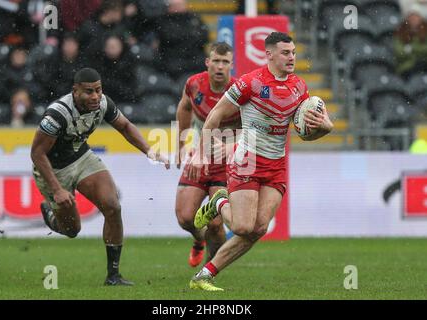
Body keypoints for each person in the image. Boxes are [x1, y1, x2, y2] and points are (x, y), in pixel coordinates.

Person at [186, 32, 333, 291]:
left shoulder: (299, 87)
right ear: (269, 54)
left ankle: (204, 276)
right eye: (285, 53)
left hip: (276, 166)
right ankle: (220, 200)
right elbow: (215, 116)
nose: (291, 57)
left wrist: (325, 126)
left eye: (293, 53)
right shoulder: (250, 83)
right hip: (247, 161)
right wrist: (200, 152)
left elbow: (307, 134)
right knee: (243, 226)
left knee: (258, 229)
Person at [30, 68, 169, 286]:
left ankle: (113, 276)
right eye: (88, 92)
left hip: (81, 157)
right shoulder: (57, 114)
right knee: (72, 231)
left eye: (98, 90)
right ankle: (51, 215)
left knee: (112, 206)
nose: (95, 96)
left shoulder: (104, 103)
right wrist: (57, 190)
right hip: (53, 169)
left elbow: (124, 126)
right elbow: (37, 153)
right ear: (75, 91)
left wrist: (149, 151)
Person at [175, 42, 240, 268]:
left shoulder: (239, 92)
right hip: (200, 156)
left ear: (231, 65)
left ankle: (210, 271)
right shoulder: (194, 84)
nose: (220, 66)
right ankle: (198, 240)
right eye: (216, 61)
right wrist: (181, 144)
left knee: (215, 223)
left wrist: (234, 146)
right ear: (208, 63)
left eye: (225, 62)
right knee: (184, 217)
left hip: (227, 163)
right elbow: (184, 108)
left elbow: (253, 128)